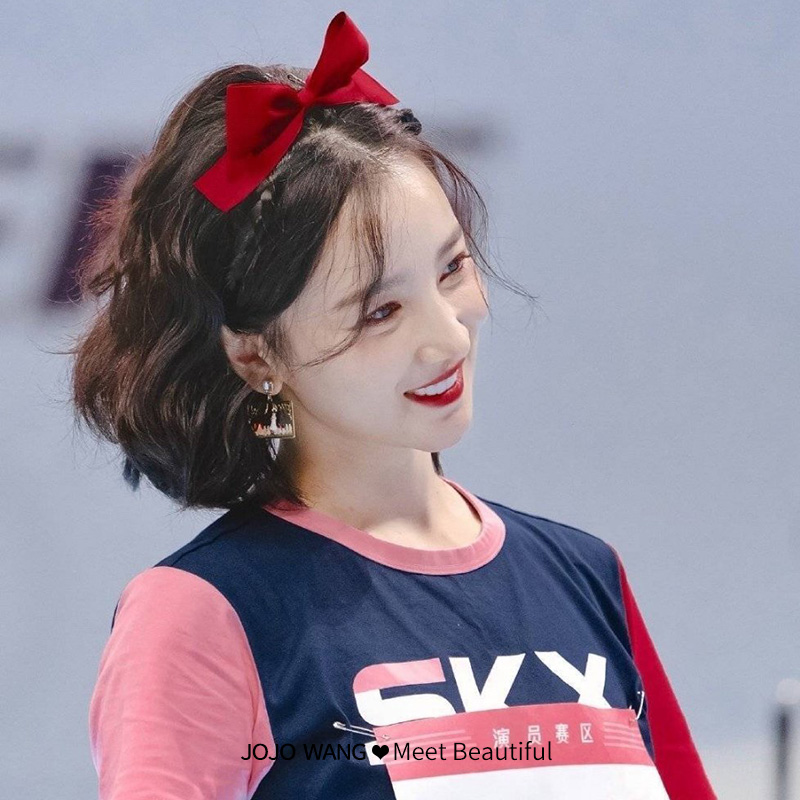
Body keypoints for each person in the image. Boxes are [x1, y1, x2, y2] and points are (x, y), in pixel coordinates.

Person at [74, 11, 717, 800]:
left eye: (451, 270)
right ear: (255, 355)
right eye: (380, 312)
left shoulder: (585, 574)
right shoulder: (202, 612)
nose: (446, 336)